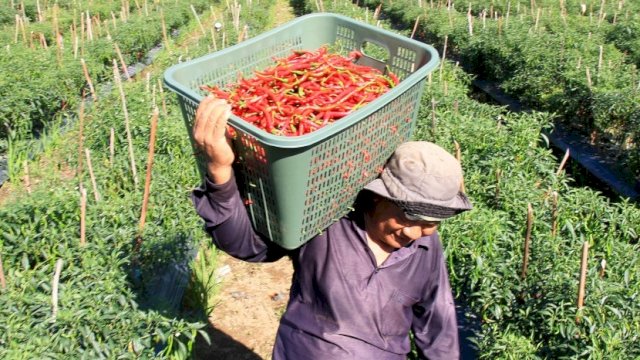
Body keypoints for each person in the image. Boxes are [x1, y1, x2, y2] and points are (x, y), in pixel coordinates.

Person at [190, 95, 473, 359]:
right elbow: (246, 246)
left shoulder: (427, 247)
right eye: (406, 217)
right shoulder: (326, 219)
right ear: (377, 196)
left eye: (429, 224)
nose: (413, 233)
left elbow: (438, 323)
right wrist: (220, 171)